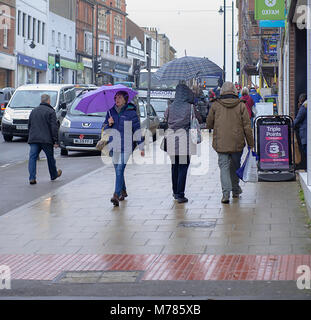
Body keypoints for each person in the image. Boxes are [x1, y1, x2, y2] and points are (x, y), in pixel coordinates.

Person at [206, 82, 254, 204]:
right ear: (234, 91)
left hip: (220, 142)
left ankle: (225, 194)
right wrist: (251, 143)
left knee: (224, 168)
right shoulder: (241, 106)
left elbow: (209, 123)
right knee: (235, 167)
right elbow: (247, 127)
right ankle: (236, 190)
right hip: (237, 143)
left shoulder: (216, 105)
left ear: (222, 91)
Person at [103, 91, 145, 207]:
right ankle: (123, 191)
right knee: (118, 170)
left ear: (125, 100)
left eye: (120, 97)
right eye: (116, 97)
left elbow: (137, 129)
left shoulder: (131, 112)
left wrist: (141, 146)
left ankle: (116, 195)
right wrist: (108, 123)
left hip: (126, 146)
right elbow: (104, 128)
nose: (117, 99)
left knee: (120, 169)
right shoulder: (110, 112)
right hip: (113, 145)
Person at [164, 83, 199, 204]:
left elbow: (166, 119)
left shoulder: (170, 107)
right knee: (183, 167)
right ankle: (180, 194)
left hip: (171, 140)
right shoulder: (190, 107)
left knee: (174, 166)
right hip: (184, 140)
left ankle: (175, 191)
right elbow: (197, 119)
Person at [28, 94, 62, 185]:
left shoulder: (34, 111)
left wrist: (31, 136)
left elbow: (29, 125)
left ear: (41, 100)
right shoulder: (51, 111)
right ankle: (53, 175)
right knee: (50, 158)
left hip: (34, 139)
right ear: (48, 101)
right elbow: (54, 127)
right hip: (46, 140)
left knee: (32, 158)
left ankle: (32, 178)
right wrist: (55, 141)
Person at [294, 95, 307, 171]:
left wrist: (290, 125)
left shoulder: (304, 107)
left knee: (306, 150)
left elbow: (298, 119)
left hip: (305, 133)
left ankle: (308, 167)